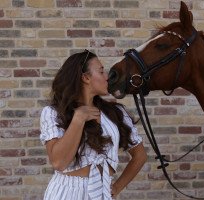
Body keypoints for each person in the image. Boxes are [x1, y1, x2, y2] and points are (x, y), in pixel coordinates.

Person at [40, 50, 147, 200]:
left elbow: (140, 155)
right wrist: (78, 120)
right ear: (85, 77)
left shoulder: (116, 113)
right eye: (101, 71)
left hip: (102, 192)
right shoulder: (53, 113)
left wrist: (117, 187)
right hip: (66, 193)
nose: (107, 77)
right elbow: (58, 162)